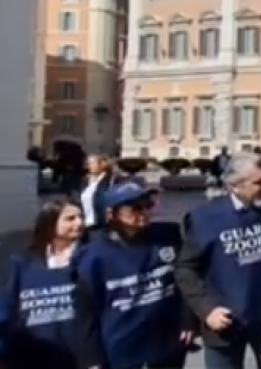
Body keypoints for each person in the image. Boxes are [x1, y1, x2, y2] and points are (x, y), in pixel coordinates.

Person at [175, 151, 261, 369]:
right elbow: (186, 269)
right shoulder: (205, 218)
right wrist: (207, 309)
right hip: (225, 322)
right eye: (260, 182)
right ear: (235, 186)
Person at [74, 181, 195, 369]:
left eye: (148, 205)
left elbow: (185, 280)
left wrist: (188, 319)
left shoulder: (167, 236)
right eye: (134, 208)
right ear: (110, 214)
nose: (144, 213)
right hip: (121, 346)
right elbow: (85, 312)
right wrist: (91, 359)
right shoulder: (94, 256)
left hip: (166, 341)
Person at [0, 199, 85, 368]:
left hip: (76, 356)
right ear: (50, 222)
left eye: (81, 217)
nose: (79, 223)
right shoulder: (22, 263)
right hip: (32, 355)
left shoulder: (89, 259)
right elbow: (9, 310)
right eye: (70, 218)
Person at [79, 153, 117, 233]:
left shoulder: (110, 180)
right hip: (86, 225)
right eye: (89, 163)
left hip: (102, 225)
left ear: (102, 164)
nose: (90, 166)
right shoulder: (85, 180)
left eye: (93, 163)